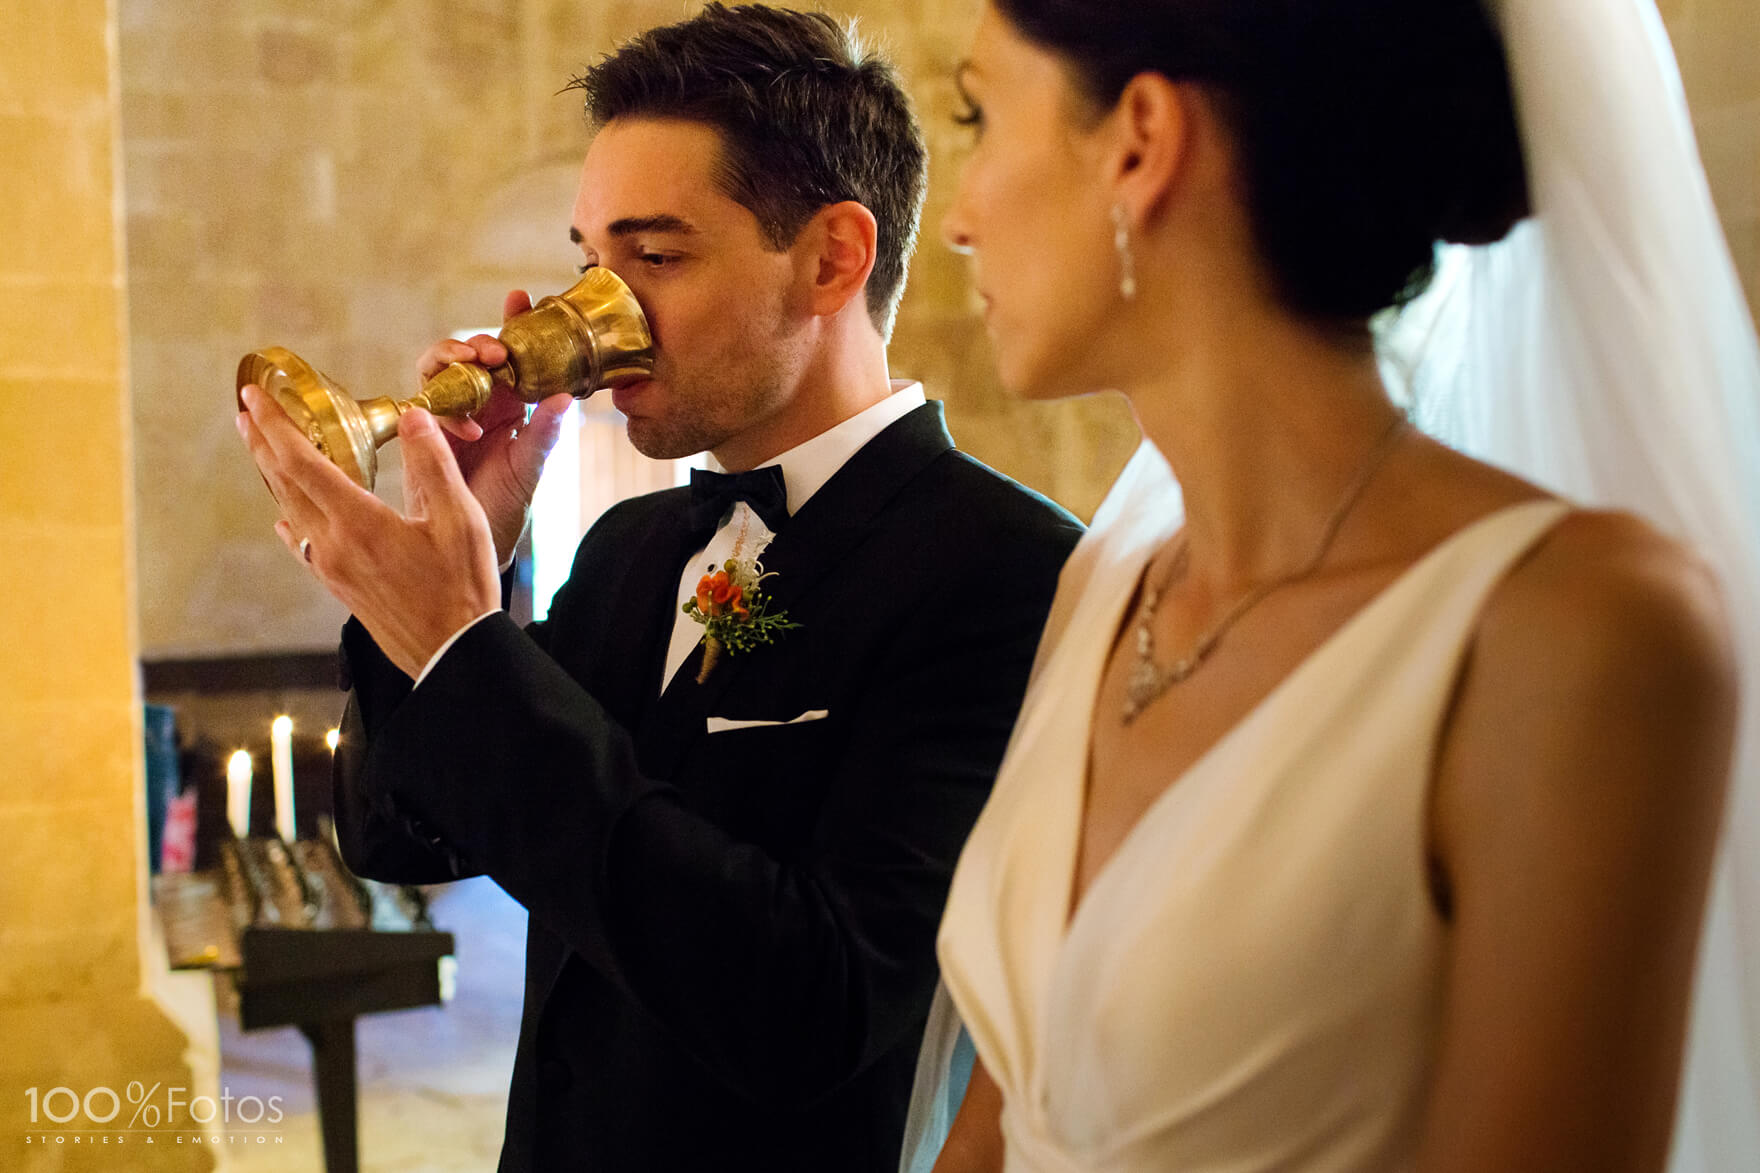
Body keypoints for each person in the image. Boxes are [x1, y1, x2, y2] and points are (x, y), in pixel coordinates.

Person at [908, 0, 1760, 1170]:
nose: (954, 222)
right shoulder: (1106, 587)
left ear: (1140, 141)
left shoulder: (1571, 632)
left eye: (977, 117)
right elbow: (996, 1129)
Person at [235, 5, 1082, 1171]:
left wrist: (465, 649)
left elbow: (811, 1008)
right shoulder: (632, 547)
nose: (608, 318)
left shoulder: (1009, 568)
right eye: (591, 263)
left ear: (834, 257)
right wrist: (434, 594)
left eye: (658, 257)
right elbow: (398, 837)